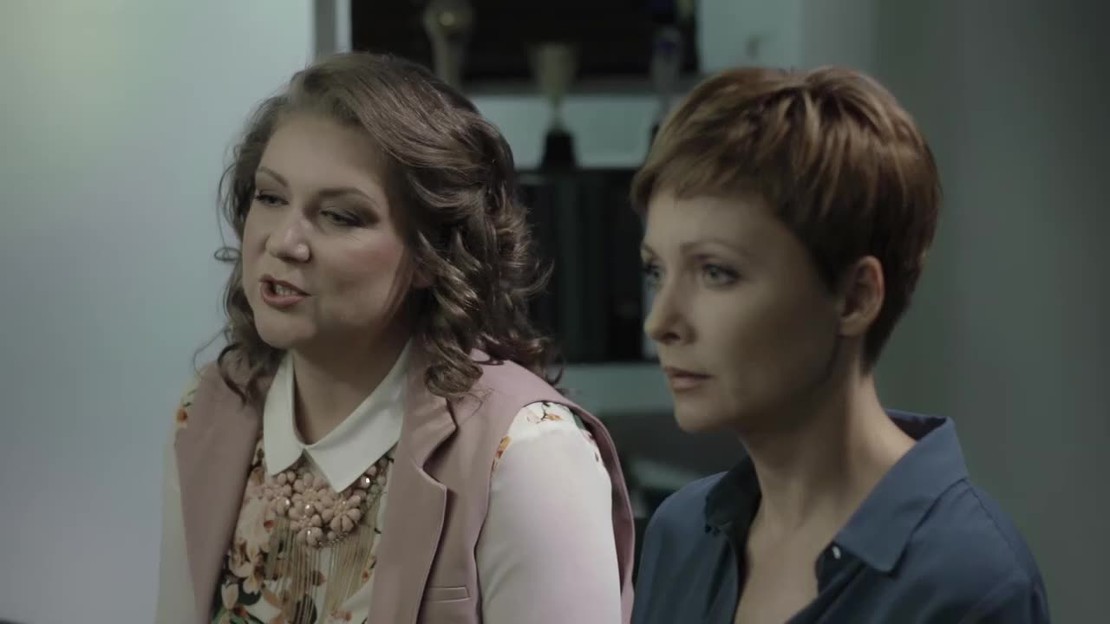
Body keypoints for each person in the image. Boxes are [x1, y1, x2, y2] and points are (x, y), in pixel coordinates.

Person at [155, 52, 634, 624]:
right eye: (271, 197)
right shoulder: (210, 407)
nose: (284, 242)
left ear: (433, 255)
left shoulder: (529, 452)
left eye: (339, 216)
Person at [630, 66, 1049, 623]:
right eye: (656, 271)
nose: (660, 322)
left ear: (855, 298)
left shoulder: (968, 581)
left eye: (716, 272)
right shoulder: (681, 534)